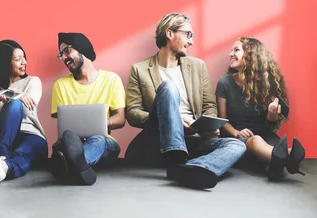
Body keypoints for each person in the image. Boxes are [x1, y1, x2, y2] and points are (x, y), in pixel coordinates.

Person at [126, 12, 246, 190]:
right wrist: (170, 118)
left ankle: (192, 167)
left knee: (236, 145)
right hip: (158, 138)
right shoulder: (140, 70)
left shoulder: (197, 66)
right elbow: (133, 113)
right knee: (168, 87)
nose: (191, 41)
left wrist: (207, 124)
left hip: (192, 137)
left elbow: (209, 105)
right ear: (169, 34)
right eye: (188, 34)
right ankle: (176, 155)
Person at [216, 37, 305, 179]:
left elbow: (270, 126)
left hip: (266, 137)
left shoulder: (266, 86)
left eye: (236, 50)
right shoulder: (225, 83)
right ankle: (288, 157)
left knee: (270, 146)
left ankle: (277, 160)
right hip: (237, 139)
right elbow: (222, 120)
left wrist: (272, 115)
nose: (230, 54)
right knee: (256, 141)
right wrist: (237, 133)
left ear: (251, 56)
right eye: (230, 50)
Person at [50, 32, 126, 186]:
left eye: (67, 51)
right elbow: (64, 124)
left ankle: (71, 166)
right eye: (61, 54)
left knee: (98, 140)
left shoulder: (112, 80)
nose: (64, 58)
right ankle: (80, 168)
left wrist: (102, 123)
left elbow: (120, 118)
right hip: (72, 142)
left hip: (103, 143)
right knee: (64, 144)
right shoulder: (60, 85)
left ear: (82, 48)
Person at [0, 40, 47, 182]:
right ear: (4, 63)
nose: (24, 62)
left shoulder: (33, 81)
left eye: (24, 57)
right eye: (18, 59)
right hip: (3, 137)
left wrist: (15, 94)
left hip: (30, 135)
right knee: (13, 105)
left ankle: (3, 165)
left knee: (22, 152)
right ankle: (3, 157)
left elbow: (27, 111)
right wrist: (10, 99)